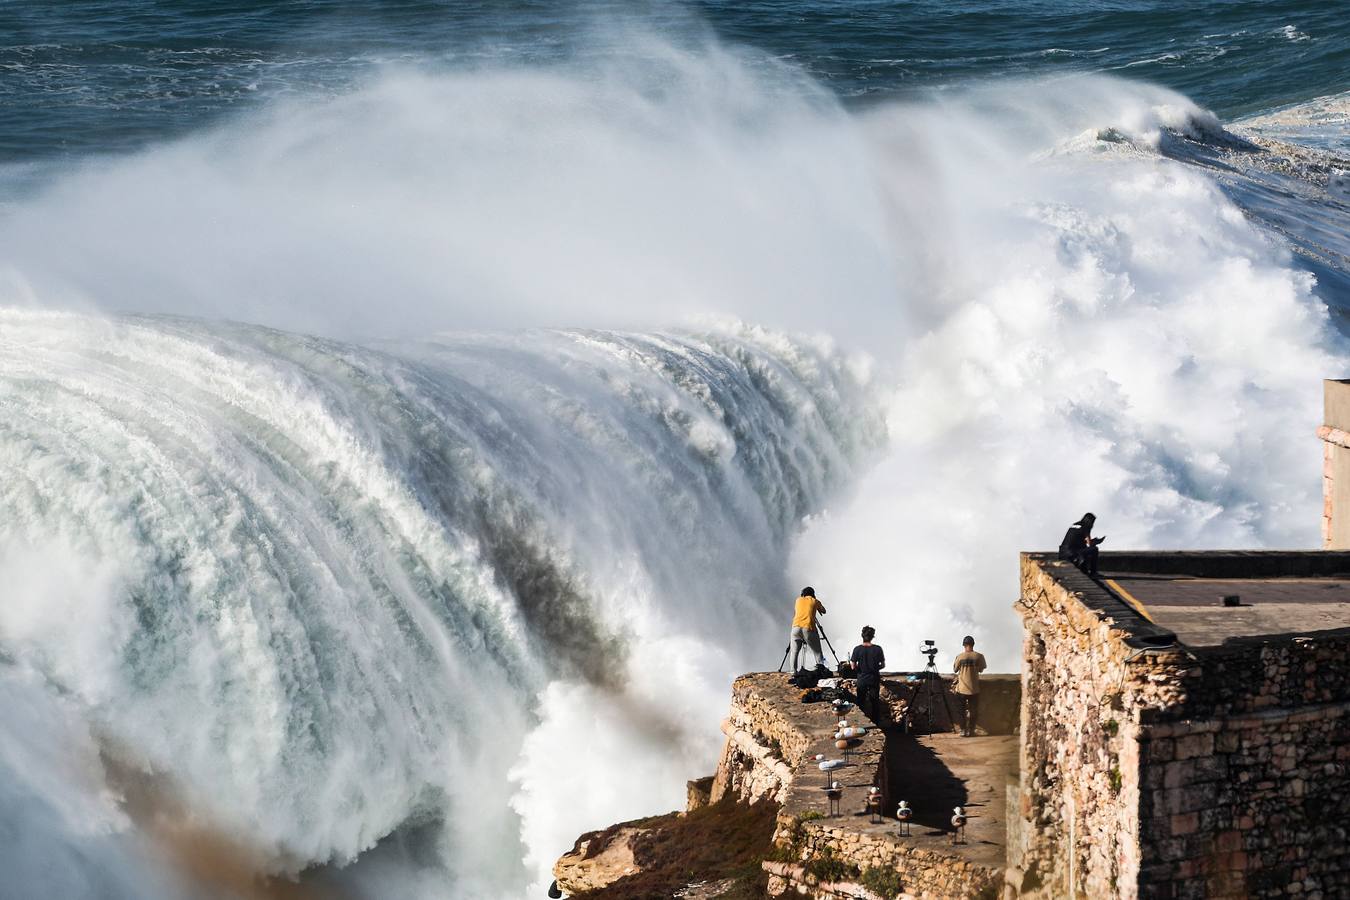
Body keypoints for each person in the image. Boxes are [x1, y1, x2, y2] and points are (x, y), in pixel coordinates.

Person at [952, 635, 986, 737]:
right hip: (974, 688)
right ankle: (971, 730)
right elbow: (981, 669)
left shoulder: (960, 657)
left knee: (960, 711)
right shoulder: (979, 656)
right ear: (973, 644)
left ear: (964, 645)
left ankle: (963, 730)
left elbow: (955, 669)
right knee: (974, 711)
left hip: (962, 688)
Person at [850, 626, 886, 721]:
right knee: (875, 702)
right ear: (872, 636)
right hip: (874, 678)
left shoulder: (857, 649)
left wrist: (860, 670)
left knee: (861, 702)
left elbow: (853, 666)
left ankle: (861, 722)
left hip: (861, 678)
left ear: (862, 636)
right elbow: (882, 665)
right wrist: (874, 668)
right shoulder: (878, 649)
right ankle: (876, 722)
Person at [790, 587, 827, 673]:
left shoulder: (798, 600)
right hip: (808, 627)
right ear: (813, 594)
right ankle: (820, 670)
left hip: (795, 627)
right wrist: (817, 607)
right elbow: (824, 611)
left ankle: (793, 672)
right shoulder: (814, 601)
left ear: (802, 594)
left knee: (794, 652)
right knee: (817, 652)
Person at [1059, 512, 1105, 576]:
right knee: (1094, 549)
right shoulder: (1086, 527)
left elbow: (1077, 540)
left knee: (1084, 549)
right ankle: (1093, 573)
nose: (1093, 525)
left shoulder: (1074, 525)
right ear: (1089, 522)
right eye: (1093, 522)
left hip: (1062, 553)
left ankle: (1084, 569)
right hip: (1073, 554)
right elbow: (1090, 544)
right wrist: (1097, 541)